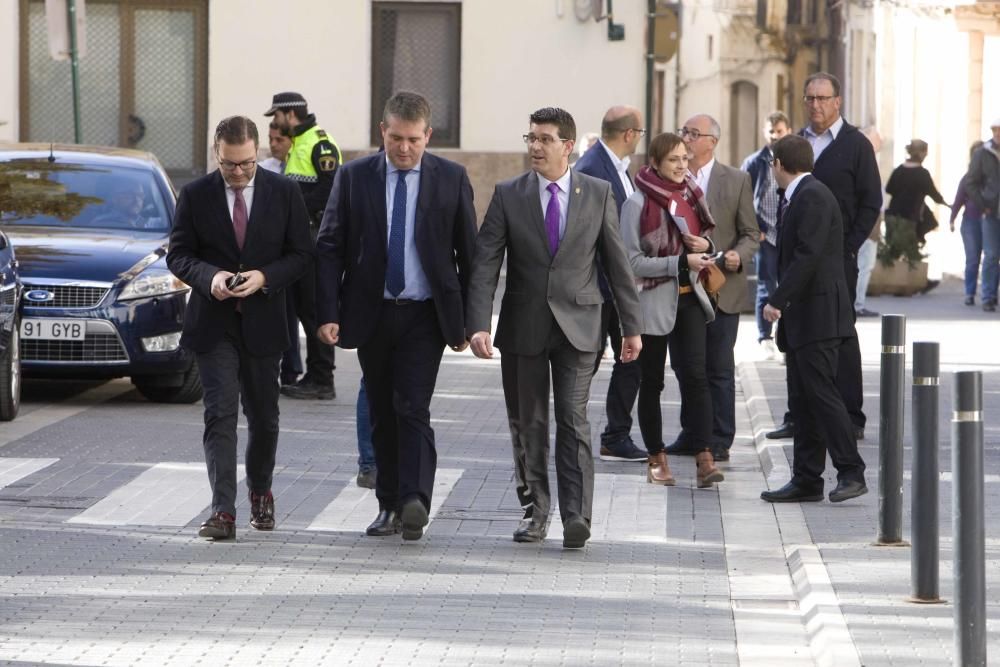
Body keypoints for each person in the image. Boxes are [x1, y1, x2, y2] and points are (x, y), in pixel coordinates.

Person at [466, 107, 643, 550]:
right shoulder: (509, 194)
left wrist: (631, 328)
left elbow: (617, 263)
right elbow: (486, 260)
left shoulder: (598, 192)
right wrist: (477, 324)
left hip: (581, 325)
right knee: (528, 422)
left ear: (567, 146)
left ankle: (576, 515)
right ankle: (536, 510)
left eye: (545, 139)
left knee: (573, 419)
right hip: (523, 326)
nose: (536, 147)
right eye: (531, 138)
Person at [316, 91, 477, 541]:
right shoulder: (353, 178)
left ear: (428, 135)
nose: (404, 149)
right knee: (383, 411)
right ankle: (388, 504)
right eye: (396, 138)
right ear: (381, 132)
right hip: (371, 312)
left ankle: (415, 500)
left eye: (413, 139)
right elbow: (328, 247)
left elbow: (470, 254)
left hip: (425, 315)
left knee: (413, 406)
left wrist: (469, 319)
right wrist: (328, 312)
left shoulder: (451, 179)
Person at [166, 116, 313, 540]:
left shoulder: (284, 192)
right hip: (214, 323)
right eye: (230, 165)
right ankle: (223, 512)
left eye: (247, 164)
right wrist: (211, 278)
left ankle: (261, 491)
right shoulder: (195, 195)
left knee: (264, 418)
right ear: (217, 154)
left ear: (257, 154)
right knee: (220, 414)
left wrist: (265, 277)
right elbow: (178, 255)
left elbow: (302, 254)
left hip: (265, 322)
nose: (238, 173)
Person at [766, 72, 881, 442]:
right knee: (795, 333)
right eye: (810, 98)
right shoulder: (795, 143)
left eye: (822, 98)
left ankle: (851, 415)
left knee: (840, 337)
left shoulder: (855, 144)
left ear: (837, 101)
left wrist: (847, 246)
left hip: (837, 262)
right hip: (798, 260)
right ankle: (797, 414)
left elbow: (871, 201)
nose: (815, 105)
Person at [760, 134, 867, 504]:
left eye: (772, 164)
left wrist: (776, 299)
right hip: (806, 317)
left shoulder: (813, 196)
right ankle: (806, 478)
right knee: (804, 399)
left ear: (778, 164)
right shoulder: (803, 196)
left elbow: (807, 257)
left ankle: (851, 471)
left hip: (819, 316)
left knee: (822, 395)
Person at [620, 131, 724, 488]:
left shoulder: (691, 195)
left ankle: (704, 457)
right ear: (655, 164)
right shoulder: (636, 203)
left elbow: (708, 241)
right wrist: (680, 262)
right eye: (673, 160)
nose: (682, 166)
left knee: (696, 376)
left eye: (685, 158)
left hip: (690, 298)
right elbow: (631, 262)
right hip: (652, 303)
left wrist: (707, 244)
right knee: (652, 383)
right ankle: (656, 457)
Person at [664, 114, 758, 462]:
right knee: (686, 366)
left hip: (721, 289)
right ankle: (692, 433)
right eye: (683, 132)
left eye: (692, 133)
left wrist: (737, 254)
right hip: (681, 289)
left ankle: (719, 438)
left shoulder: (735, 180)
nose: (685, 138)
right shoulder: (670, 178)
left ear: (711, 142)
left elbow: (751, 233)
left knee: (718, 368)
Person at [573, 105, 647, 463]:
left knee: (631, 359)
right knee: (588, 365)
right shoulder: (591, 169)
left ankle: (614, 434)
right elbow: (588, 236)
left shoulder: (620, 168)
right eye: (640, 132)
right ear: (629, 134)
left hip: (617, 287)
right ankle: (591, 435)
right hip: (599, 289)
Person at [266, 92, 341, 400]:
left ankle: (322, 379)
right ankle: (312, 374)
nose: (274, 121)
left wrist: (293, 209)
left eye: (277, 115)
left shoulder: (319, 143)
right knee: (302, 310)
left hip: (315, 240)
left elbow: (330, 191)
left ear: (291, 114)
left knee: (313, 312)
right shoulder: (300, 140)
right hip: (300, 239)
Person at [741, 111, 791, 362]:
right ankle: (765, 337)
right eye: (771, 131)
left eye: (779, 131)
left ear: (788, 131)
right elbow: (742, 198)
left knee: (788, 285)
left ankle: (784, 338)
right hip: (764, 232)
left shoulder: (794, 159)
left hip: (787, 232)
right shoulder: (754, 162)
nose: (774, 136)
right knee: (766, 285)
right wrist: (752, 227)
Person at [884, 139, 948, 256]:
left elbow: (889, 189)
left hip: (892, 215)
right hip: (909, 218)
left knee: (893, 254)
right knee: (910, 256)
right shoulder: (922, 173)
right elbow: (934, 195)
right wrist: (947, 204)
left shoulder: (898, 170)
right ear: (922, 153)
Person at [964, 119, 1000, 312]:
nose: (998, 134)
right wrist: (983, 204)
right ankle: (987, 296)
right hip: (992, 213)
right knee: (991, 255)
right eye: (996, 130)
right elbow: (970, 182)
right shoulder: (983, 154)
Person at [951, 141, 986, 306]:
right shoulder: (967, 178)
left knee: (992, 258)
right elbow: (958, 200)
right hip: (971, 221)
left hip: (990, 220)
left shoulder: (992, 177)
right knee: (973, 259)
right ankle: (970, 293)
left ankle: (989, 293)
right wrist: (952, 219)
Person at [854, 126, 883, 318]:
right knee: (863, 266)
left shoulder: (868, 160)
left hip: (870, 225)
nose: (881, 141)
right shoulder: (862, 161)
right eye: (877, 138)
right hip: (866, 227)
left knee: (864, 266)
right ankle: (857, 304)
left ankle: (857, 303)